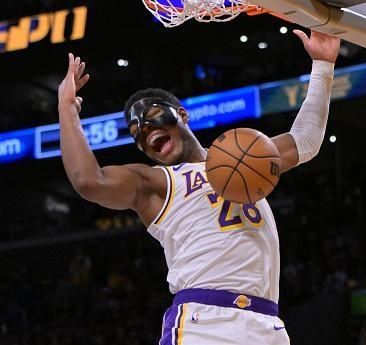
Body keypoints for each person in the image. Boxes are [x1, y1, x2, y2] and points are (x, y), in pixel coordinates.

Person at [58, 29, 340, 345]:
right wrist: (67, 108)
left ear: (181, 114)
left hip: (267, 325)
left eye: (151, 116)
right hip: (204, 323)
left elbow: (306, 141)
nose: (146, 129)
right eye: (138, 131)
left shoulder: (243, 157)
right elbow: (89, 181)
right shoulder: (156, 183)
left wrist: (323, 65)